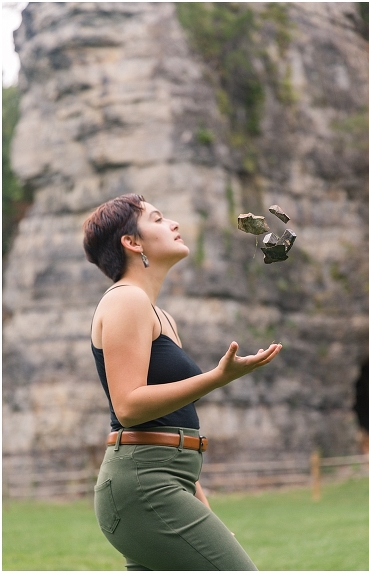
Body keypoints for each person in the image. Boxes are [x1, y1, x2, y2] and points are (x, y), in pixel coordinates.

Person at [83, 193, 281, 570]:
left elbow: (176, 423)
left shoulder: (162, 316)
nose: (173, 223)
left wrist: (204, 510)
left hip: (166, 481)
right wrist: (217, 378)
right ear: (132, 242)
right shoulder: (126, 300)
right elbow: (128, 407)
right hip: (143, 487)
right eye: (157, 219)